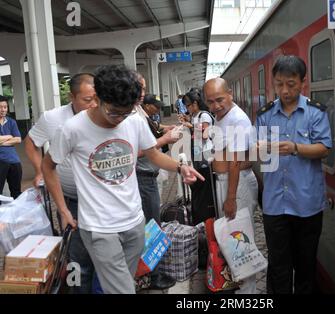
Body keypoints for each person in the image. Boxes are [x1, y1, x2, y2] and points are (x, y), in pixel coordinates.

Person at [41, 65, 204, 294]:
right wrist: (64, 210)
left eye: (125, 113)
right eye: (114, 112)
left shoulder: (134, 120)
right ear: (97, 98)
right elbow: (47, 166)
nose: (119, 119)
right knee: (123, 290)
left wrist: (180, 167)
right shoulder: (72, 129)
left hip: (134, 223)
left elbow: (153, 154)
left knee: (123, 281)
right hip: (99, 227)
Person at [256, 55, 332, 294]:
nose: (284, 90)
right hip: (274, 205)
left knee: (305, 266)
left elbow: (324, 148)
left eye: (291, 84)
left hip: (306, 203)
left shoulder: (315, 113)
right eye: (279, 84)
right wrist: (261, 147)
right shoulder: (265, 114)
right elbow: (256, 148)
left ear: (303, 83)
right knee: (278, 266)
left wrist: (296, 148)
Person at [24, 73, 97, 294]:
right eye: (87, 99)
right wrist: (40, 171)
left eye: (97, 98)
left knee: (104, 255)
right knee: (77, 256)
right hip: (71, 200)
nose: (93, 104)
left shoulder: (103, 115)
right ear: (71, 96)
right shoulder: (53, 118)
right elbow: (31, 142)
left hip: (101, 200)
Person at [203, 77, 259, 294]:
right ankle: (239, 285)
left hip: (236, 183)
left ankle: (249, 292)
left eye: (219, 99)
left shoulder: (236, 119)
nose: (215, 105)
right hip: (227, 181)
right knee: (232, 237)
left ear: (230, 94)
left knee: (240, 239)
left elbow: (235, 162)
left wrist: (231, 198)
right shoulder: (221, 116)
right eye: (210, 102)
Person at [135, 76, 178, 290]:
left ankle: (149, 273)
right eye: (139, 88)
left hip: (146, 177)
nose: (143, 92)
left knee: (152, 224)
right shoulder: (130, 116)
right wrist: (164, 141)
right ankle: (154, 276)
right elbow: (138, 151)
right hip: (142, 178)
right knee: (152, 225)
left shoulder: (138, 113)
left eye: (144, 88)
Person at [180, 90, 215, 225]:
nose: (187, 109)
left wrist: (191, 126)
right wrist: (188, 121)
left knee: (205, 182)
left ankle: (207, 212)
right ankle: (201, 213)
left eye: (188, 106)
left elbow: (205, 135)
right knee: (200, 181)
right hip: (198, 153)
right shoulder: (196, 115)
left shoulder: (204, 115)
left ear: (195, 103)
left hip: (206, 154)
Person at [0, 95, 22, 199]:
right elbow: (14, 138)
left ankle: (16, 214)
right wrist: (9, 136)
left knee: (16, 193)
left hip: (14, 161)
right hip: (1, 161)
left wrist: (2, 141)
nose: (3, 110)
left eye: (5, 107)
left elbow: (18, 139)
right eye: (0, 107)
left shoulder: (12, 122)